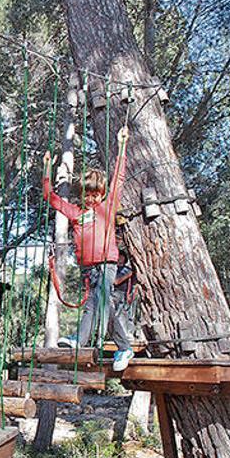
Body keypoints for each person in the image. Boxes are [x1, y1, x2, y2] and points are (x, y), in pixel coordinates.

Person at [43, 125, 133, 371]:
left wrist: (122, 144)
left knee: (94, 303)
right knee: (107, 305)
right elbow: (51, 198)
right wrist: (46, 170)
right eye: (87, 195)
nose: (92, 199)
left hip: (107, 264)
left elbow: (119, 178)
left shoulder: (108, 207)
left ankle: (78, 341)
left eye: (96, 194)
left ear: (102, 194)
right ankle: (124, 347)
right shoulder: (76, 213)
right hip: (88, 269)